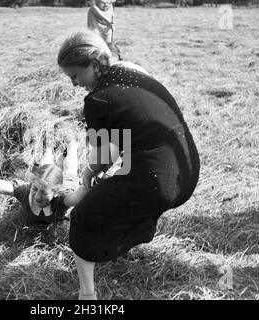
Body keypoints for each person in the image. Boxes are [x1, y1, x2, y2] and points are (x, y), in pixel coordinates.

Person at [57, 30, 200, 300]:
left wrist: (87, 176)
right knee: (116, 194)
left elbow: (106, 156)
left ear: (93, 64)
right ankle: (121, 241)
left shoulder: (97, 99)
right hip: (188, 173)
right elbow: (127, 136)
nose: (74, 84)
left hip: (157, 182)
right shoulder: (131, 69)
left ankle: (86, 296)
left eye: (75, 76)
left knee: (83, 217)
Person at [0, 140, 88, 225]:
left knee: (70, 168)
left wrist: (88, 183)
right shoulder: (26, 191)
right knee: (45, 169)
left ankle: (71, 143)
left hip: (67, 184)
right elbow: (4, 186)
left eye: (44, 193)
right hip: (46, 182)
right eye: (34, 189)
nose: (37, 196)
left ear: (55, 193)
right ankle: (49, 146)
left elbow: (75, 198)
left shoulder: (60, 201)